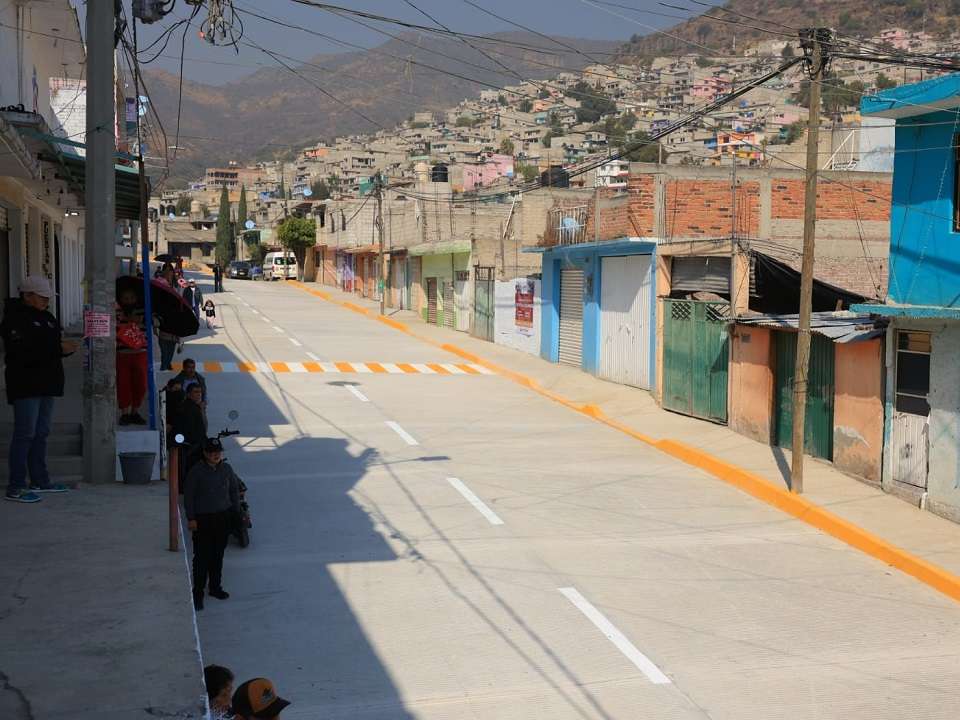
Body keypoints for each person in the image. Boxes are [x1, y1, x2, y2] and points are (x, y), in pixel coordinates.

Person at [1, 276, 78, 503]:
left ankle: (40, 479)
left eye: (47, 297)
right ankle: (16, 486)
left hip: (48, 383)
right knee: (25, 433)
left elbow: (51, 345)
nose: (46, 301)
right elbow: (23, 350)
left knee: (41, 432)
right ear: (27, 296)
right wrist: (58, 348)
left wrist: (65, 348)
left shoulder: (48, 318)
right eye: (41, 297)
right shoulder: (14, 319)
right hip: (25, 384)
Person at [183, 437, 242, 610]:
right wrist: (191, 518)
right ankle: (197, 593)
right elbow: (189, 497)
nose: (216, 455)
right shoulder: (196, 472)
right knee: (201, 557)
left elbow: (233, 491)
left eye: (218, 452)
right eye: (212, 452)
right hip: (203, 520)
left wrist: (236, 512)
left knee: (218, 555)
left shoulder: (226, 469)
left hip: (222, 518)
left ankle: (215, 587)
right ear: (205, 453)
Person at [116, 286, 148, 425]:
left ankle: (135, 411)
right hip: (122, 354)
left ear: (136, 299)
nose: (129, 301)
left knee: (141, 384)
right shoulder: (117, 311)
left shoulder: (144, 310)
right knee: (123, 384)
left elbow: (155, 321)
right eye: (125, 298)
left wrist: (142, 320)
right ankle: (125, 413)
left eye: (131, 298)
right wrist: (123, 319)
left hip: (140, 353)